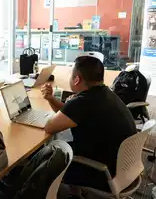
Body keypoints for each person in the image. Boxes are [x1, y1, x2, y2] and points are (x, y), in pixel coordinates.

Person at [41, 52, 136, 196]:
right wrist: (50, 99)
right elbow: (70, 115)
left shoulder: (83, 102)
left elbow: (50, 127)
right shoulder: (104, 93)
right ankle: (75, 194)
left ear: (77, 79)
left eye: (71, 75)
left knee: (48, 158)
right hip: (123, 166)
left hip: (101, 173)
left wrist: (70, 103)